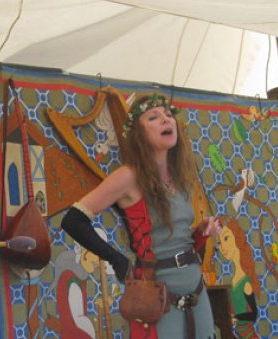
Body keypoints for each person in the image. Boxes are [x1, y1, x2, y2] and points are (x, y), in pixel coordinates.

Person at [61, 93, 220, 339]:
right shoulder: (128, 177)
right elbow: (73, 220)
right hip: (157, 298)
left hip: (197, 291)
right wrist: (118, 260)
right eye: (153, 118)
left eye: (168, 115)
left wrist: (200, 232)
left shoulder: (181, 178)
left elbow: (176, 240)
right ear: (139, 134)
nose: (165, 120)